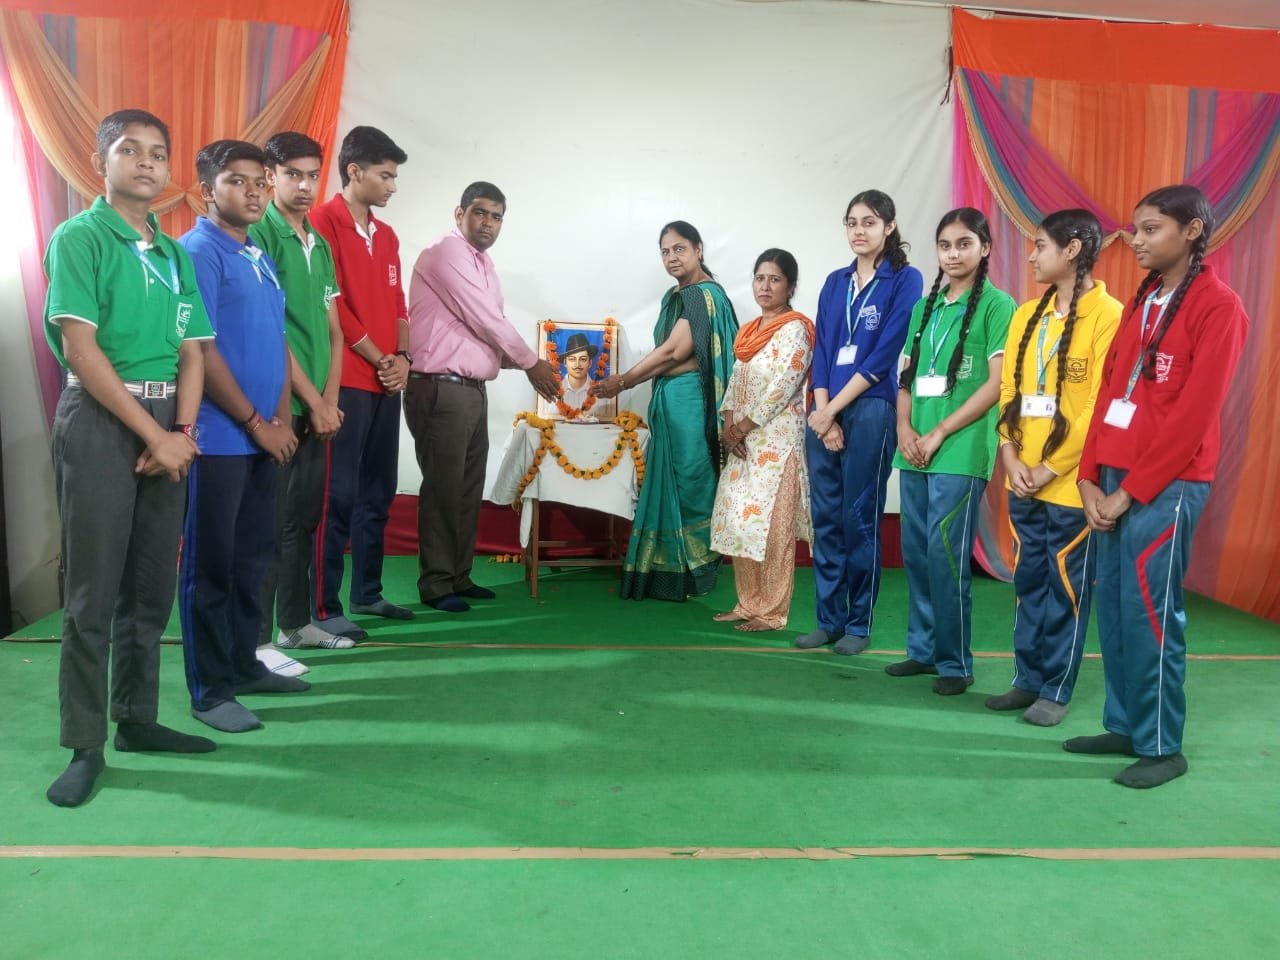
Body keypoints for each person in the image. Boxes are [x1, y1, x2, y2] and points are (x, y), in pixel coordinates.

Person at [42, 109, 217, 806]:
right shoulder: (79, 238)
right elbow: (81, 350)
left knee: (149, 586)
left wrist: (182, 431)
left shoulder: (173, 253)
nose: (146, 162)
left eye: (158, 153)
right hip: (100, 421)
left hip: (168, 421)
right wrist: (154, 435)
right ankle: (84, 744)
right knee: (93, 591)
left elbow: (193, 350)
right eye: (129, 150)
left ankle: (136, 719)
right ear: (100, 163)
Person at [1068, 184, 1248, 789]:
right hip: (1114, 477)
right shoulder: (1142, 300)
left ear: (1191, 231)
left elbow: (1194, 418)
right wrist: (1089, 475)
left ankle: (1163, 746)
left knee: (1152, 614)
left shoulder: (1218, 307)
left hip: (1166, 484)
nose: (1137, 241)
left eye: (1151, 230)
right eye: (1136, 228)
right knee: (1116, 608)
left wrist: (1130, 491)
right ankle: (1126, 725)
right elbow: (1108, 394)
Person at [177, 140, 307, 732]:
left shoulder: (255, 251)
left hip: (264, 436)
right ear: (208, 191)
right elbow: (201, 349)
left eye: (260, 182)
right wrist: (255, 423)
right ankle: (209, 691)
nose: (253, 192)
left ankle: (243, 664)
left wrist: (280, 419)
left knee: (254, 558)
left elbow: (276, 340)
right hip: (219, 438)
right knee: (211, 566)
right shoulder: (198, 252)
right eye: (237, 181)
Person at [988, 210, 1122, 726]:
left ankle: (1056, 688)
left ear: (1072, 249)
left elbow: (1097, 408)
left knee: (1066, 589)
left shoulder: (1108, 315)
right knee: (1028, 582)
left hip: (1068, 486)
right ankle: (1025, 679)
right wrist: (1009, 454)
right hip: (1022, 477)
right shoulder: (1028, 314)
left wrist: (1048, 468)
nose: (1031, 256)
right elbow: (1009, 391)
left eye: (1040, 245)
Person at [406, 181, 559, 612]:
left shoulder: (484, 264)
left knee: (467, 487)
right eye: (479, 212)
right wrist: (531, 363)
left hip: (471, 390)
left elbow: (485, 329)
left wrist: (526, 362)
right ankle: (437, 584)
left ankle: (458, 575)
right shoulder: (446, 252)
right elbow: (487, 319)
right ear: (460, 214)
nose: (488, 223)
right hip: (441, 387)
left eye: (496, 216)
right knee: (444, 487)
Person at [889, 208, 1016, 695]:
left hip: (959, 449)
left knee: (946, 557)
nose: (953, 254)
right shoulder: (925, 308)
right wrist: (904, 427)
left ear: (984, 248)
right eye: (945, 245)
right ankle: (922, 651)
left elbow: (996, 384)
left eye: (964, 244)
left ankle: (954, 663)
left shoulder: (998, 305)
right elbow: (906, 377)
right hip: (914, 448)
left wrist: (939, 431)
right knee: (917, 555)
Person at [796, 190, 923, 654]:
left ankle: (858, 625)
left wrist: (830, 411)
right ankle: (828, 620)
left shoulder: (905, 279)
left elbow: (884, 353)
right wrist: (823, 412)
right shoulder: (835, 282)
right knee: (826, 518)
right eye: (852, 222)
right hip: (825, 408)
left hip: (871, 407)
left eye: (869, 222)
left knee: (858, 517)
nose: (859, 231)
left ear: (889, 226)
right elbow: (824, 352)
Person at [593, 220, 739, 601]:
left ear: (699, 249)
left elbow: (675, 351)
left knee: (691, 481)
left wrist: (623, 381)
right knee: (674, 479)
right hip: (672, 403)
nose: (672, 257)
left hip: (690, 405)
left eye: (680, 249)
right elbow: (674, 354)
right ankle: (669, 570)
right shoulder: (675, 297)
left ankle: (695, 570)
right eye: (665, 251)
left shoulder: (701, 295)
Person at [251, 131, 349, 673]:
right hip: (277, 405)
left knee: (302, 521)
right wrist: (312, 400)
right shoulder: (260, 235)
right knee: (267, 524)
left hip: (317, 407)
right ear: (270, 177)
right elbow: (270, 331)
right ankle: (257, 641)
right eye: (293, 174)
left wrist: (329, 399)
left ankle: (295, 625)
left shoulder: (320, 244)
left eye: (313, 175)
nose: (306, 185)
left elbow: (334, 330)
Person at [310, 126, 413, 639]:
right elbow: (334, 306)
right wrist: (379, 356)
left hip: (387, 382)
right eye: (385, 176)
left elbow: (398, 304)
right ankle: (323, 607)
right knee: (338, 495)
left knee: (379, 490)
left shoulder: (387, 235)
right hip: (345, 380)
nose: (392, 186)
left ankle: (367, 592)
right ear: (355, 171)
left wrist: (403, 359)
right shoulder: (320, 223)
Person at [710, 249, 814, 631]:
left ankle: (771, 612)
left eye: (775, 279)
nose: (765, 286)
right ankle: (747, 602)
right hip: (742, 441)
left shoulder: (796, 329)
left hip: (777, 442)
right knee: (742, 524)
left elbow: (783, 386)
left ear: (790, 286)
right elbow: (735, 383)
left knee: (773, 530)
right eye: (759, 278)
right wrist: (728, 426)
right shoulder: (749, 332)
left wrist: (742, 426)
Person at [559, 333, 598, 411]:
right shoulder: (554, 392)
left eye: (583, 359)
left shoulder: (600, 394)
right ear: (565, 363)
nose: (577, 364)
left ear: (590, 363)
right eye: (572, 359)